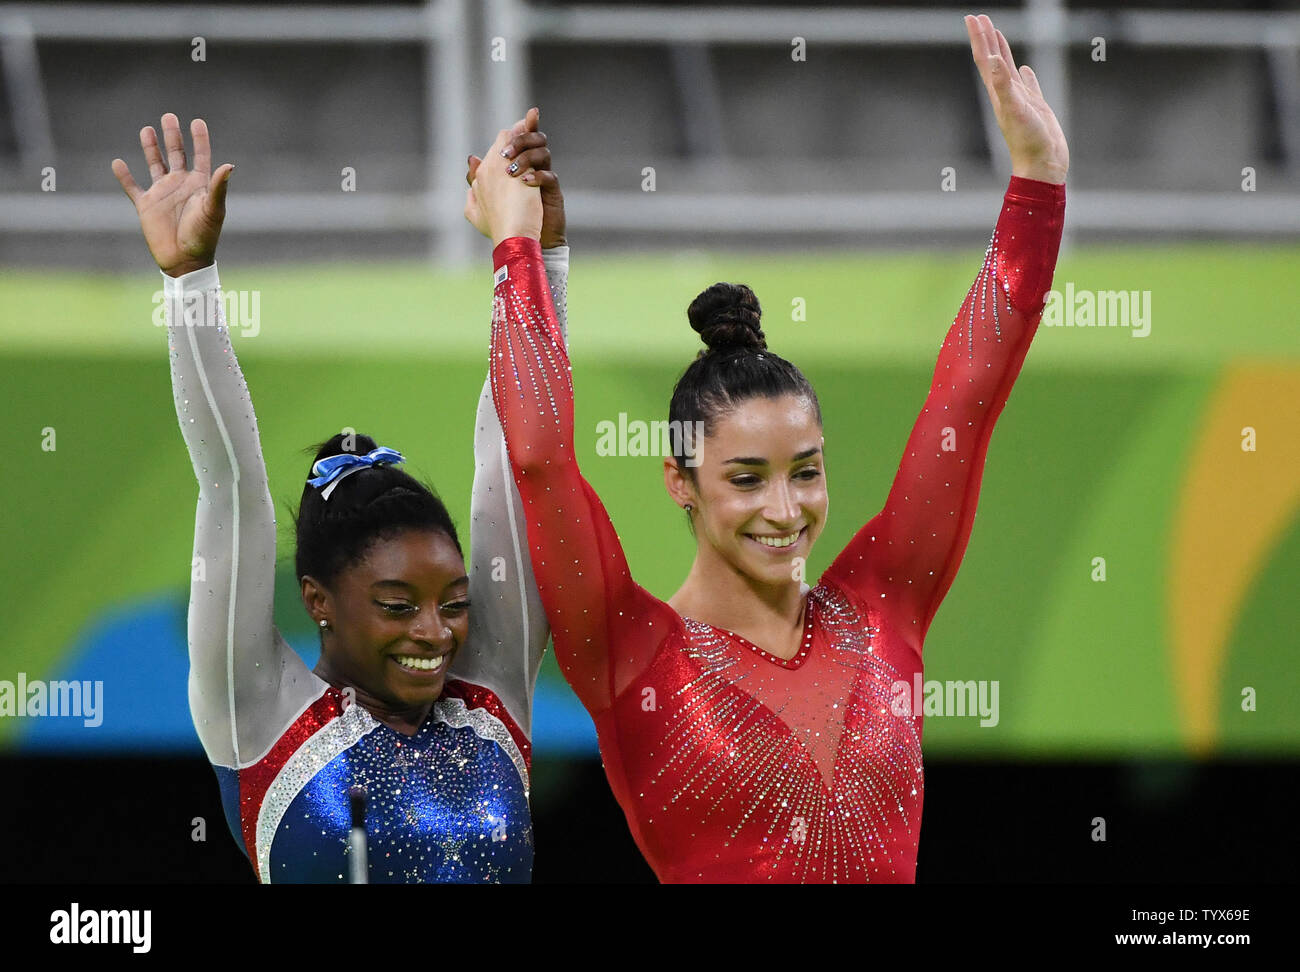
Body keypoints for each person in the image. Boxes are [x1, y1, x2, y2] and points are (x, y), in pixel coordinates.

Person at [472, 14, 1068, 882]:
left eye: (807, 472)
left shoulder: (883, 602)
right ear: (680, 478)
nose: (786, 511)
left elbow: (968, 400)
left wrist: (1037, 184)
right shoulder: (627, 648)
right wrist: (514, 247)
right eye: (746, 479)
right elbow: (537, 459)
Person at [111, 108, 569, 883]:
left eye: (454, 602)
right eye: (397, 604)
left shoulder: (491, 694)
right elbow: (231, 487)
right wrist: (189, 284)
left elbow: (518, 455)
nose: (436, 632)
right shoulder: (260, 715)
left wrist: (532, 255)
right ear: (318, 598)